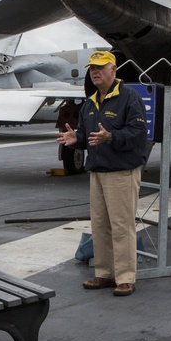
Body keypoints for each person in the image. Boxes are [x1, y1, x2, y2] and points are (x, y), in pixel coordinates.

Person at [56, 50, 147, 296]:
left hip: (121, 172)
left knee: (121, 225)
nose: (94, 72)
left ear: (113, 70)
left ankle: (126, 277)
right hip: (97, 171)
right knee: (100, 225)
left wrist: (111, 137)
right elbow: (87, 137)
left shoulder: (129, 97)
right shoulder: (90, 102)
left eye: (99, 67)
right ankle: (105, 273)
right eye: (92, 68)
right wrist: (76, 139)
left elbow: (138, 133)